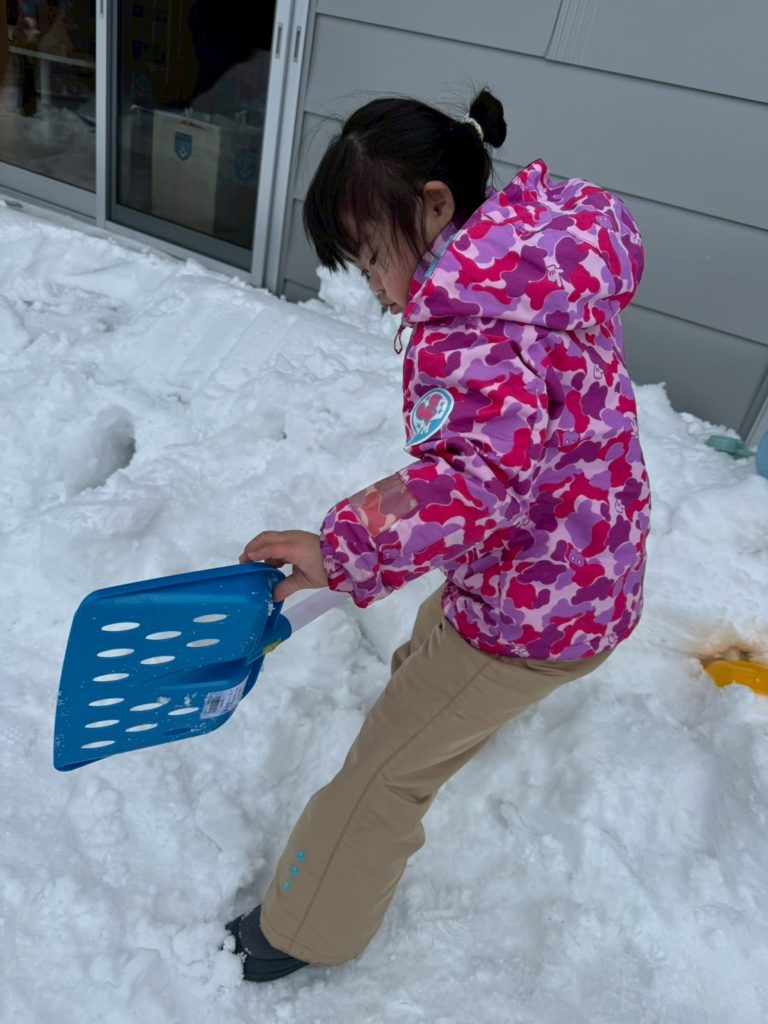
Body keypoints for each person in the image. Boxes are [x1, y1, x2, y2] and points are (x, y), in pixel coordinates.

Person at [225, 87, 651, 983]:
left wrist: (338, 550)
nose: (380, 289)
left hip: (534, 616)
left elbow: (471, 483)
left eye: (374, 257)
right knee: (438, 634)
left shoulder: (473, 323)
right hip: (577, 565)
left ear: (434, 205)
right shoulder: (538, 266)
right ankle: (428, 703)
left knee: (383, 776)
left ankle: (304, 926)